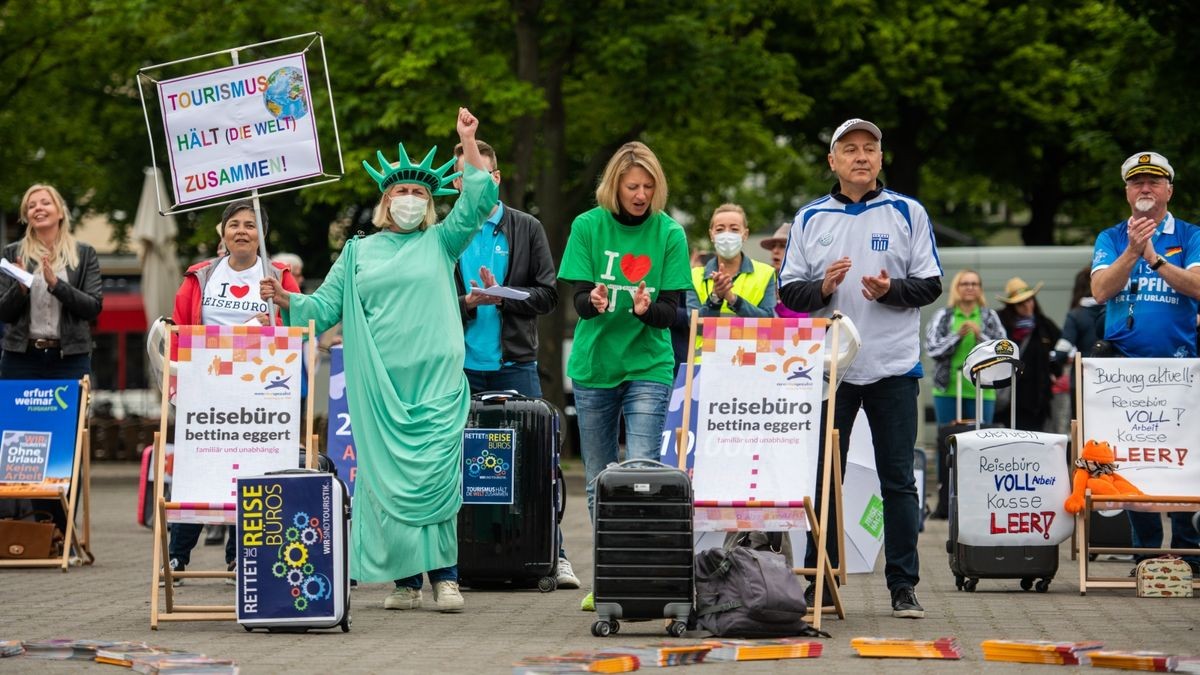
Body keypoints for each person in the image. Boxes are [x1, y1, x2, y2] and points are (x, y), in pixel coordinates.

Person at [260, 108, 498, 613]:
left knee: (436, 476)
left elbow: (479, 198)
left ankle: (447, 578)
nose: (410, 200)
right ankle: (407, 581)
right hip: (382, 387)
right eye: (400, 193)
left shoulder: (441, 241)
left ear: (429, 204)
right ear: (385, 202)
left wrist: (468, 140)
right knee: (388, 482)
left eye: (418, 193)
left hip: (436, 382)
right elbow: (324, 308)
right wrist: (287, 301)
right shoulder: (357, 252)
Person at [778, 118, 942, 619]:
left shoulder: (907, 212)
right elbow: (789, 293)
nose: (861, 157)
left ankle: (903, 586)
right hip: (832, 371)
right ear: (833, 161)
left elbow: (931, 285)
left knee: (898, 480)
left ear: (880, 159)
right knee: (826, 478)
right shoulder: (810, 218)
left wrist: (890, 290)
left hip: (893, 367)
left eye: (870, 148)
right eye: (849, 149)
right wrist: (823, 289)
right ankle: (820, 582)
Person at [557, 141, 692, 611]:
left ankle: (643, 577)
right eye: (632, 186)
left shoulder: (669, 233)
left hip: (648, 365)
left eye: (649, 187)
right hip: (596, 367)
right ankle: (611, 577)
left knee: (639, 470)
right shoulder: (588, 227)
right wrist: (591, 303)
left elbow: (675, 312)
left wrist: (646, 309)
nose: (640, 194)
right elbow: (575, 300)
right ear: (614, 185)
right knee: (598, 480)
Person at [449, 139, 579, 590]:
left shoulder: (526, 228)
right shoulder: (447, 232)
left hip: (515, 362)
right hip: (459, 366)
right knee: (458, 465)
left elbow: (548, 295)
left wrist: (505, 295)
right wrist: (467, 302)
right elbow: (432, 302)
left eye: (478, 175)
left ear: (496, 178)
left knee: (537, 462)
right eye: (462, 177)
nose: (469, 184)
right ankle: (459, 559)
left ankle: (554, 553)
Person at [165, 200, 301, 583]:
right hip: (206, 391)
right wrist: (177, 381)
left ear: (262, 234)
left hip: (261, 393)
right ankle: (176, 556)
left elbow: (301, 323)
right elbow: (179, 330)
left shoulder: (278, 275)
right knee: (199, 469)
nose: (242, 231)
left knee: (252, 471)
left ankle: (241, 557)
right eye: (235, 224)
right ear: (222, 232)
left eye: (251, 225)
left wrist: (274, 321)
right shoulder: (201, 276)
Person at [1090, 150, 1200, 574]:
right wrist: (1132, 252)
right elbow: (1100, 291)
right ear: (1127, 192)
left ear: (1169, 189)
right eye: (1137, 182)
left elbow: (1196, 286)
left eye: (1154, 181)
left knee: (1180, 459)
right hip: (1124, 370)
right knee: (1135, 461)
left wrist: (1154, 257)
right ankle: (1147, 554)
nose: (1146, 189)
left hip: (1178, 368)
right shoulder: (1112, 237)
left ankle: (1188, 552)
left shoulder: (1189, 234)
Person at [0, 184, 103, 533]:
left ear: (60, 211)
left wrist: (56, 284)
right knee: (26, 446)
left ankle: (61, 529)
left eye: (45, 203)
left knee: (65, 445)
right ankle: (39, 528)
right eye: (31, 205)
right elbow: (4, 312)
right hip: (22, 360)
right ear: (26, 215)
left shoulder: (83, 254)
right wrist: (21, 288)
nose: (38, 208)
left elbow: (93, 306)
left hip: (68, 359)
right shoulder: (13, 252)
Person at [925, 269, 1006, 425]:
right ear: (956, 288)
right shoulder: (943, 315)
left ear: (980, 289)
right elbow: (932, 350)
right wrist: (956, 336)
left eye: (974, 284)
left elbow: (1003, 351)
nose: (970, 287)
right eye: (965, 284)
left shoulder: (990, 316)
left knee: (981, 442)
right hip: (947, 389)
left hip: (983, 389)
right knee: (948, 440)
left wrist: (980, 336)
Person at [686, 203, 776, 319]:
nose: (727, 234)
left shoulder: (766, 273)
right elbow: (693, 324)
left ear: (745, 235)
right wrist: (715, 298)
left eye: (734, 229)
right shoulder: (694, 276)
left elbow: (768, 321)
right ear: (711, 235)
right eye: (719, 229)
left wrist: (733, 300)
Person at [995, 277, 1061, 431]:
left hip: (1037, 398)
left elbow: (1061, 351)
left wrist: (1053, 371)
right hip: (1010, 396)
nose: (1027, 305)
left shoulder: (1044, 325)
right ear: (1012, 306)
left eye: (1030, 300)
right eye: (1020, 303)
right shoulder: (1001, 325)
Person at [1059, 266, 1104, 422]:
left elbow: (1062, 350)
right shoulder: (1114, 310)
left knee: (1082, 427)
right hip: (1111, 378)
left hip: (1082, 379)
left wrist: (1056, 361)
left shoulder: (1076, 315)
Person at [761, 222, 804, 318]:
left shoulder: (809, 285)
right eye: (773, 246)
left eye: (782, 246)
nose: (775, 251)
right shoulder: (763, 280)